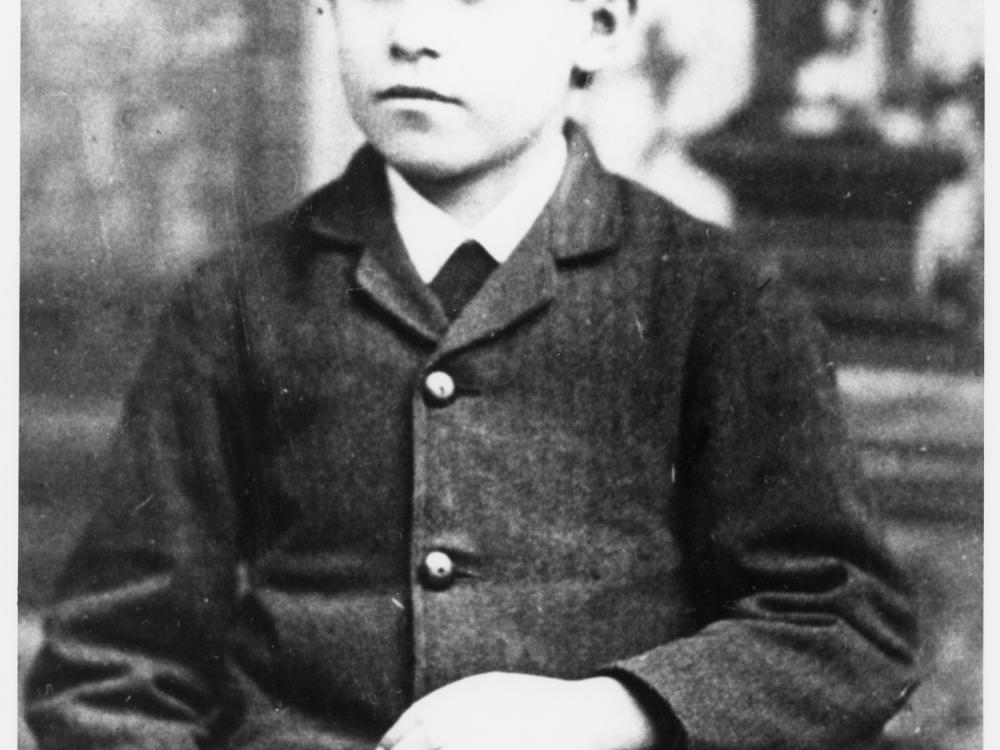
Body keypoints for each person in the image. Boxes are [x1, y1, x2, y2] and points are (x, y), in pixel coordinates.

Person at [25, 0, 917, 748]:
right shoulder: (237, 303)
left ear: (598, 26)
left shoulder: (719, 301)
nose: (412, 32)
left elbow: (843, 626)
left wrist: (606, 712)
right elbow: (113, 665)